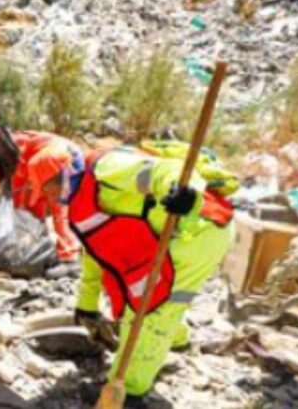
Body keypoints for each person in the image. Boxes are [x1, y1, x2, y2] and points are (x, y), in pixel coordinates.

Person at [35, 146, 234, 406]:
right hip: (167, 237)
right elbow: (96, 254)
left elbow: (166, 171)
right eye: (46, 193)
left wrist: (186, 193)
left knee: (151, 311)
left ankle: (130, 390)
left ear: (67, 172)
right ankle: (174, 339)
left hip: (194, 231)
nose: (51, 199)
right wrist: (87, 305)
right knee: (149, 302)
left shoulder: (107, 168)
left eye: (51, 188)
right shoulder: (81, 200)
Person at [11, 131, 83, 264]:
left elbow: (20, 186)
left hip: (55, 160)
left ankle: (67, 255)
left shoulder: (13, 145)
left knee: (53, 204)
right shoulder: (25, 141)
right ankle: (65, 251)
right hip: (73, 156)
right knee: (53, 204)